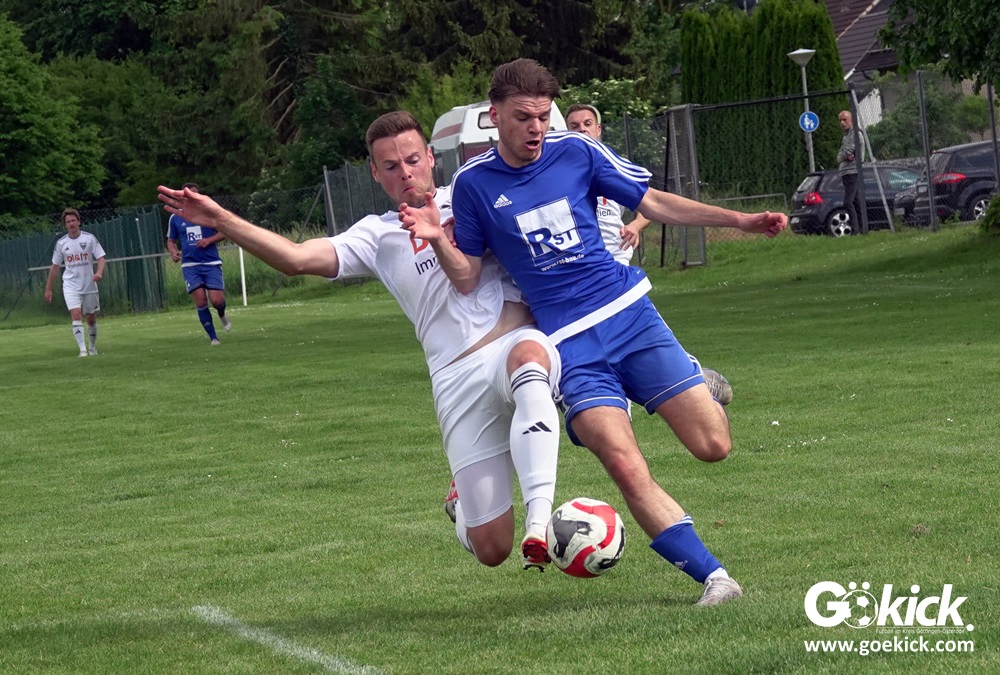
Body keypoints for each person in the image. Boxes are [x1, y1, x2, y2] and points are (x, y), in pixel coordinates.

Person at [400, 59, 787, 606]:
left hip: (628, 316)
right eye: (523, 117)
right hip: (568, 347)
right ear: (495, 115)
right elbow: (466, 278)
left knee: (713, 446)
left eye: (542, 116)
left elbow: (651, 201)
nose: (536, 128)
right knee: (624, 464)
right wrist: (439, 239)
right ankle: (716, 579)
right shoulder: (473, 184)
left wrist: (739, 221)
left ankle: (692, 377)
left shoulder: (577, 151)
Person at [157, 111, 562, 571]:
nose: (405, 172)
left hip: (514, 343)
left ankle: (538, 524)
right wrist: (222, 220)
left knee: (529, 362)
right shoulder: (376, 234)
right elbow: (295, 258)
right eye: (391, 166)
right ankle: (463, 507)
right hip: (456, 379)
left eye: (413, 160)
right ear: (375, 173)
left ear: (431, 157)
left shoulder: (472, 194)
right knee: (492, 549)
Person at [565, 103, 652, 264]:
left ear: (598, 129)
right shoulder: (558, 172)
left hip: (615, 255)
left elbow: (650, 206)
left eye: (587, 124)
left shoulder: (618, 167)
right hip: (577, 259)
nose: (582, 129)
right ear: (567, 133)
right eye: (574, 126)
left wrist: (635, 225)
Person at [167, 183, 232, 345]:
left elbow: (224, 232)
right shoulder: (176, 217)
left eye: (193, 195)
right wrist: (173, 252)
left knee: (217, 301)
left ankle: (222, 314)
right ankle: (213, 338)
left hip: (211, 262)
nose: (190, 198)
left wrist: (209, 240)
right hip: (190, 266)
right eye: (186, 195)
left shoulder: (209, 213)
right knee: (201, 301)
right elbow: (171, 240)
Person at [44, 208, 106, 357]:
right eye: (68, 222)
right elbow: (55, 267)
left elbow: (101, 257)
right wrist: (48, 289)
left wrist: (99, 272)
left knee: (90, 317)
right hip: (70, 284)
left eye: (73, 220)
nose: (71, 224)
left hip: (89, 284)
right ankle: (82, 350)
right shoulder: (61, 243)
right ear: (65, 225)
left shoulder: (89, 238)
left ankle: (92, 348)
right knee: (76, 313)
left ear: (78, 222)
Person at [836, 110, 863, 233]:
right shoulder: (846, 136)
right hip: (846, 172)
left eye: (844, 120)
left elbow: (847, 152)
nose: (842, 123)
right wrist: (843, 156)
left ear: (851, 120)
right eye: (840, 120)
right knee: (856, 202)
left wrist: (844, 156)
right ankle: (862, 229)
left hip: (852, 172)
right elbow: (841, 155)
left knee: (847, 203)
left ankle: (855, 230)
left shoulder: (855, 134)